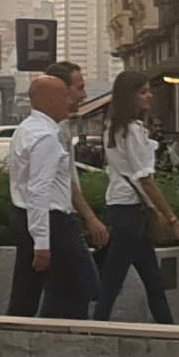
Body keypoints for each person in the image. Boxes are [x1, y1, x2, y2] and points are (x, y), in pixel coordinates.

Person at [93, 71, 179, 323]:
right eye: (143, 91)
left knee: (151, 280)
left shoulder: (113, 129)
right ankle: (93, 329)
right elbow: (145, 179)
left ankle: (169, 332)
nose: (149, 95)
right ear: (129, 96)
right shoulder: (132, 131)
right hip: (130, 210)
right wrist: (172, 219)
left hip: (125, 207)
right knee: (114, 280)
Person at [6, 75, 91, 319]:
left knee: (26, 293)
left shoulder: (26, 129)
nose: (70, 100)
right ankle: (58, 341)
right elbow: (39, 190)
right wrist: (42, 243)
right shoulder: (45, 137)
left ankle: (17, 341)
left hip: (27, 217)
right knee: (74, 290)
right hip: (51, 222)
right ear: (51, 100)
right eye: (65, 96)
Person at [44, 62, 111, 253]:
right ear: (61, 91)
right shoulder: (50, 133)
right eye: (80, 88)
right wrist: (90, 218)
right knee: (85, 281)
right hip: (57, 220)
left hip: (62, 219)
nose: (84, 96)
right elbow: (65, 181)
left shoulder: (61, 128)